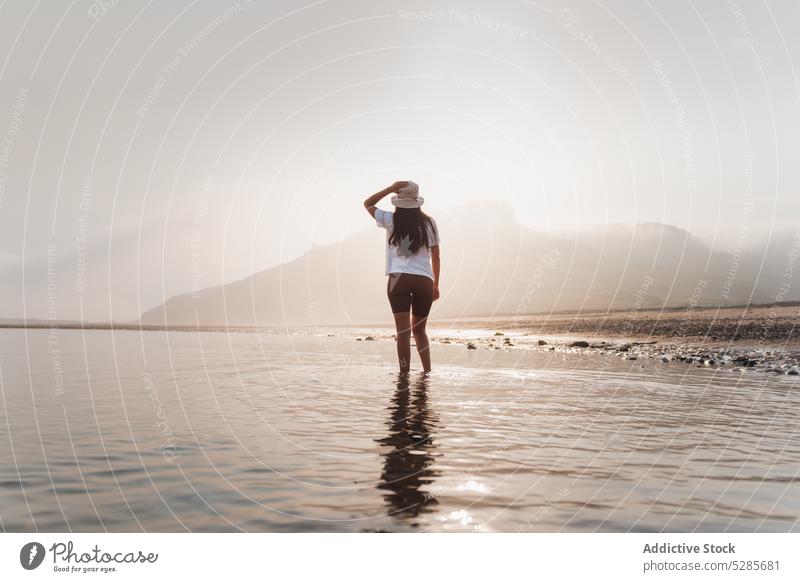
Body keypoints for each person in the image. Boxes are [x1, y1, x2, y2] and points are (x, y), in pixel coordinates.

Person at [363, 181, 441, 372]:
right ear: (417, 201)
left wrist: (389, 188)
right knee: (420, 331)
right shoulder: (429, 222)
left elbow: (368, 203)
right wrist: (436, 285)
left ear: (398, 201)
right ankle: (427, 373)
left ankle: (404, 374)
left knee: (403, 332)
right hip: (424, 280)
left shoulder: (390, 219)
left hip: (399, 280)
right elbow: (436, 256)